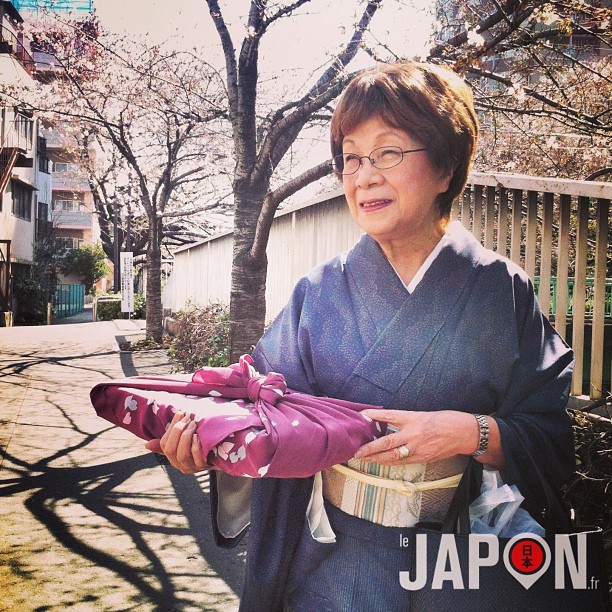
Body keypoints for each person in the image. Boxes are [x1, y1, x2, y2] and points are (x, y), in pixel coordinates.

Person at [146, 61, 575, 611]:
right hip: (334, 569)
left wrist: (471, 433)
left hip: (461, 569)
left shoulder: (500, 291)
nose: (364, 176)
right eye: (352, 158)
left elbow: (550, 437)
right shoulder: (318, 293)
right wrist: (210, 445)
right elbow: (264, 420)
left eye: (389, 152)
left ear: (446, 166)